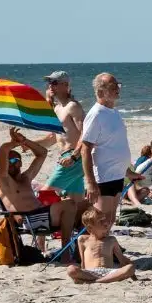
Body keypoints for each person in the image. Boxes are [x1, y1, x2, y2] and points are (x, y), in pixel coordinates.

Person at [79, 73, 136, 235]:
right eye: (113, 87)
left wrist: (128, 172)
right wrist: (90, 182)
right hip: (102, 178)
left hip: (117, 176)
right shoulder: (95, 114)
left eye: (118, 85)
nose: (118, 89)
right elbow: (85, 148)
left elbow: (116, 145)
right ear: (100, 91)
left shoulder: (114, 113)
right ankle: (92, 253)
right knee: (98, 221)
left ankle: (103, 250)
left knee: (110, 220)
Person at [41, 72, 89, 244]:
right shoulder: (57, 108)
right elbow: (52, 138)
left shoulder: (73, 107)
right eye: (49, 83)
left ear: (65, 85)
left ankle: (41, 241)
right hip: (66, 157)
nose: (50, 87)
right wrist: (25, 144)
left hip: (72, 158)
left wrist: (75, 156)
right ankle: (83, 237)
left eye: (54, 83)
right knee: (76, 202)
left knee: (45, 194)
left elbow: (86, 134)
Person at [0, 129, 53, 248]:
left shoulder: (26, 178)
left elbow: (42, 153)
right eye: (7, 161)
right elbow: (3, 150)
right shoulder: (4, 180)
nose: (9, 163)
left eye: (14, 160)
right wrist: (14, 143)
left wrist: (25, 141)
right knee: (68, 208)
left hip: (41, 215)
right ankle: (65, 254)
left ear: (20, 163)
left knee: (74, 206)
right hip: (26, 219)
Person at [66, 206, 137, 284]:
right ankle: (98, 280)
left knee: (130, 267)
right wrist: (81, 272)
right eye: (100, 221)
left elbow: (122, 260)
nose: (105, 223)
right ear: (90, 228)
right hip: (90, 272)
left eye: (104, 220)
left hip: (109, 272)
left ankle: (96, 281)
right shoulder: (83, 239)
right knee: (71, 269)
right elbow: (83, 261)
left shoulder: (111, 240)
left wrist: (131, 272)